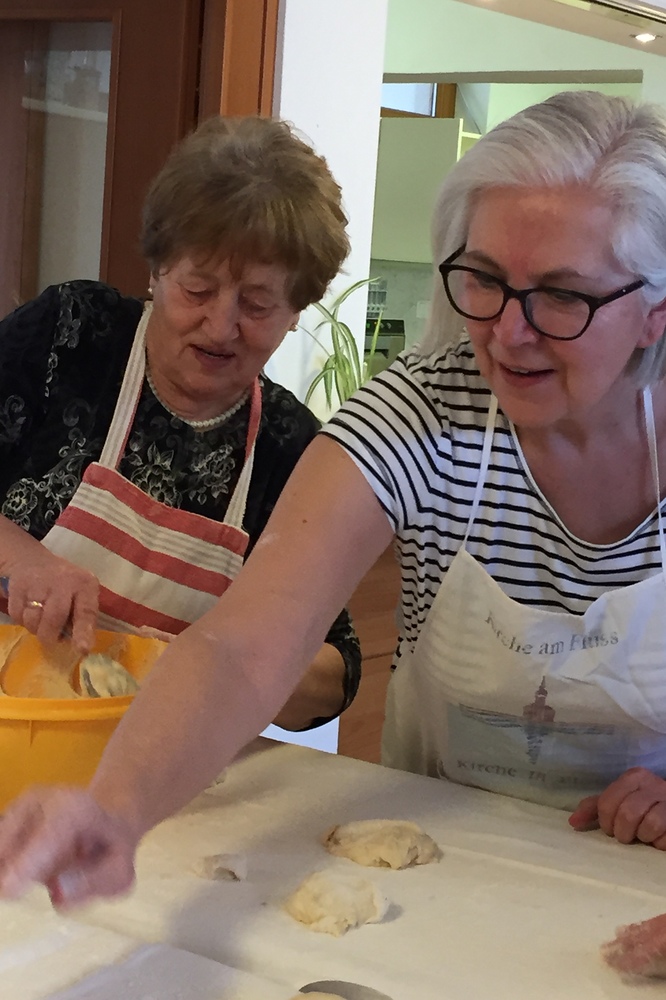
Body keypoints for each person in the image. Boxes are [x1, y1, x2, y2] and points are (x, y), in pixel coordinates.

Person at [3, 90, 666, 921]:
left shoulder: (281, 433)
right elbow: (242, 649)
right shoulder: (423, 409)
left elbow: (327, 671)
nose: (507, 332)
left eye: (563, 295)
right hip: (446, 872)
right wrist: (115, 809)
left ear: (655, 313)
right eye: (485, 280)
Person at [0, 115, 360, 733]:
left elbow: (336, 671)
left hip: (154, 764)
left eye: (257, 304)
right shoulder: (73, 334)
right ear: (156, 270)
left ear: (297, 310)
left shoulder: (293, 449)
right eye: (197, 289)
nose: (221, 326)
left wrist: (229, 664)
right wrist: (23, 558)